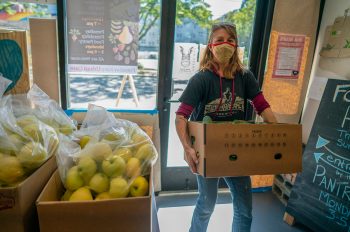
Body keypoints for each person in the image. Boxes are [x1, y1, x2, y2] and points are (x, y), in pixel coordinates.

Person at [175, 23, 277, 232]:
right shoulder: (201, 79)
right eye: (219, 39)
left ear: (236, 46)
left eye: (230, 40)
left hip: (236, 148)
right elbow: (181, 117)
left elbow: (262, 106)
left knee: (245, 210)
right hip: (207, 152)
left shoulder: (245, 77)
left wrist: (277, 133)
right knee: (206, 205)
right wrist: (187, 148)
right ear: (210, 45)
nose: (225, 44)